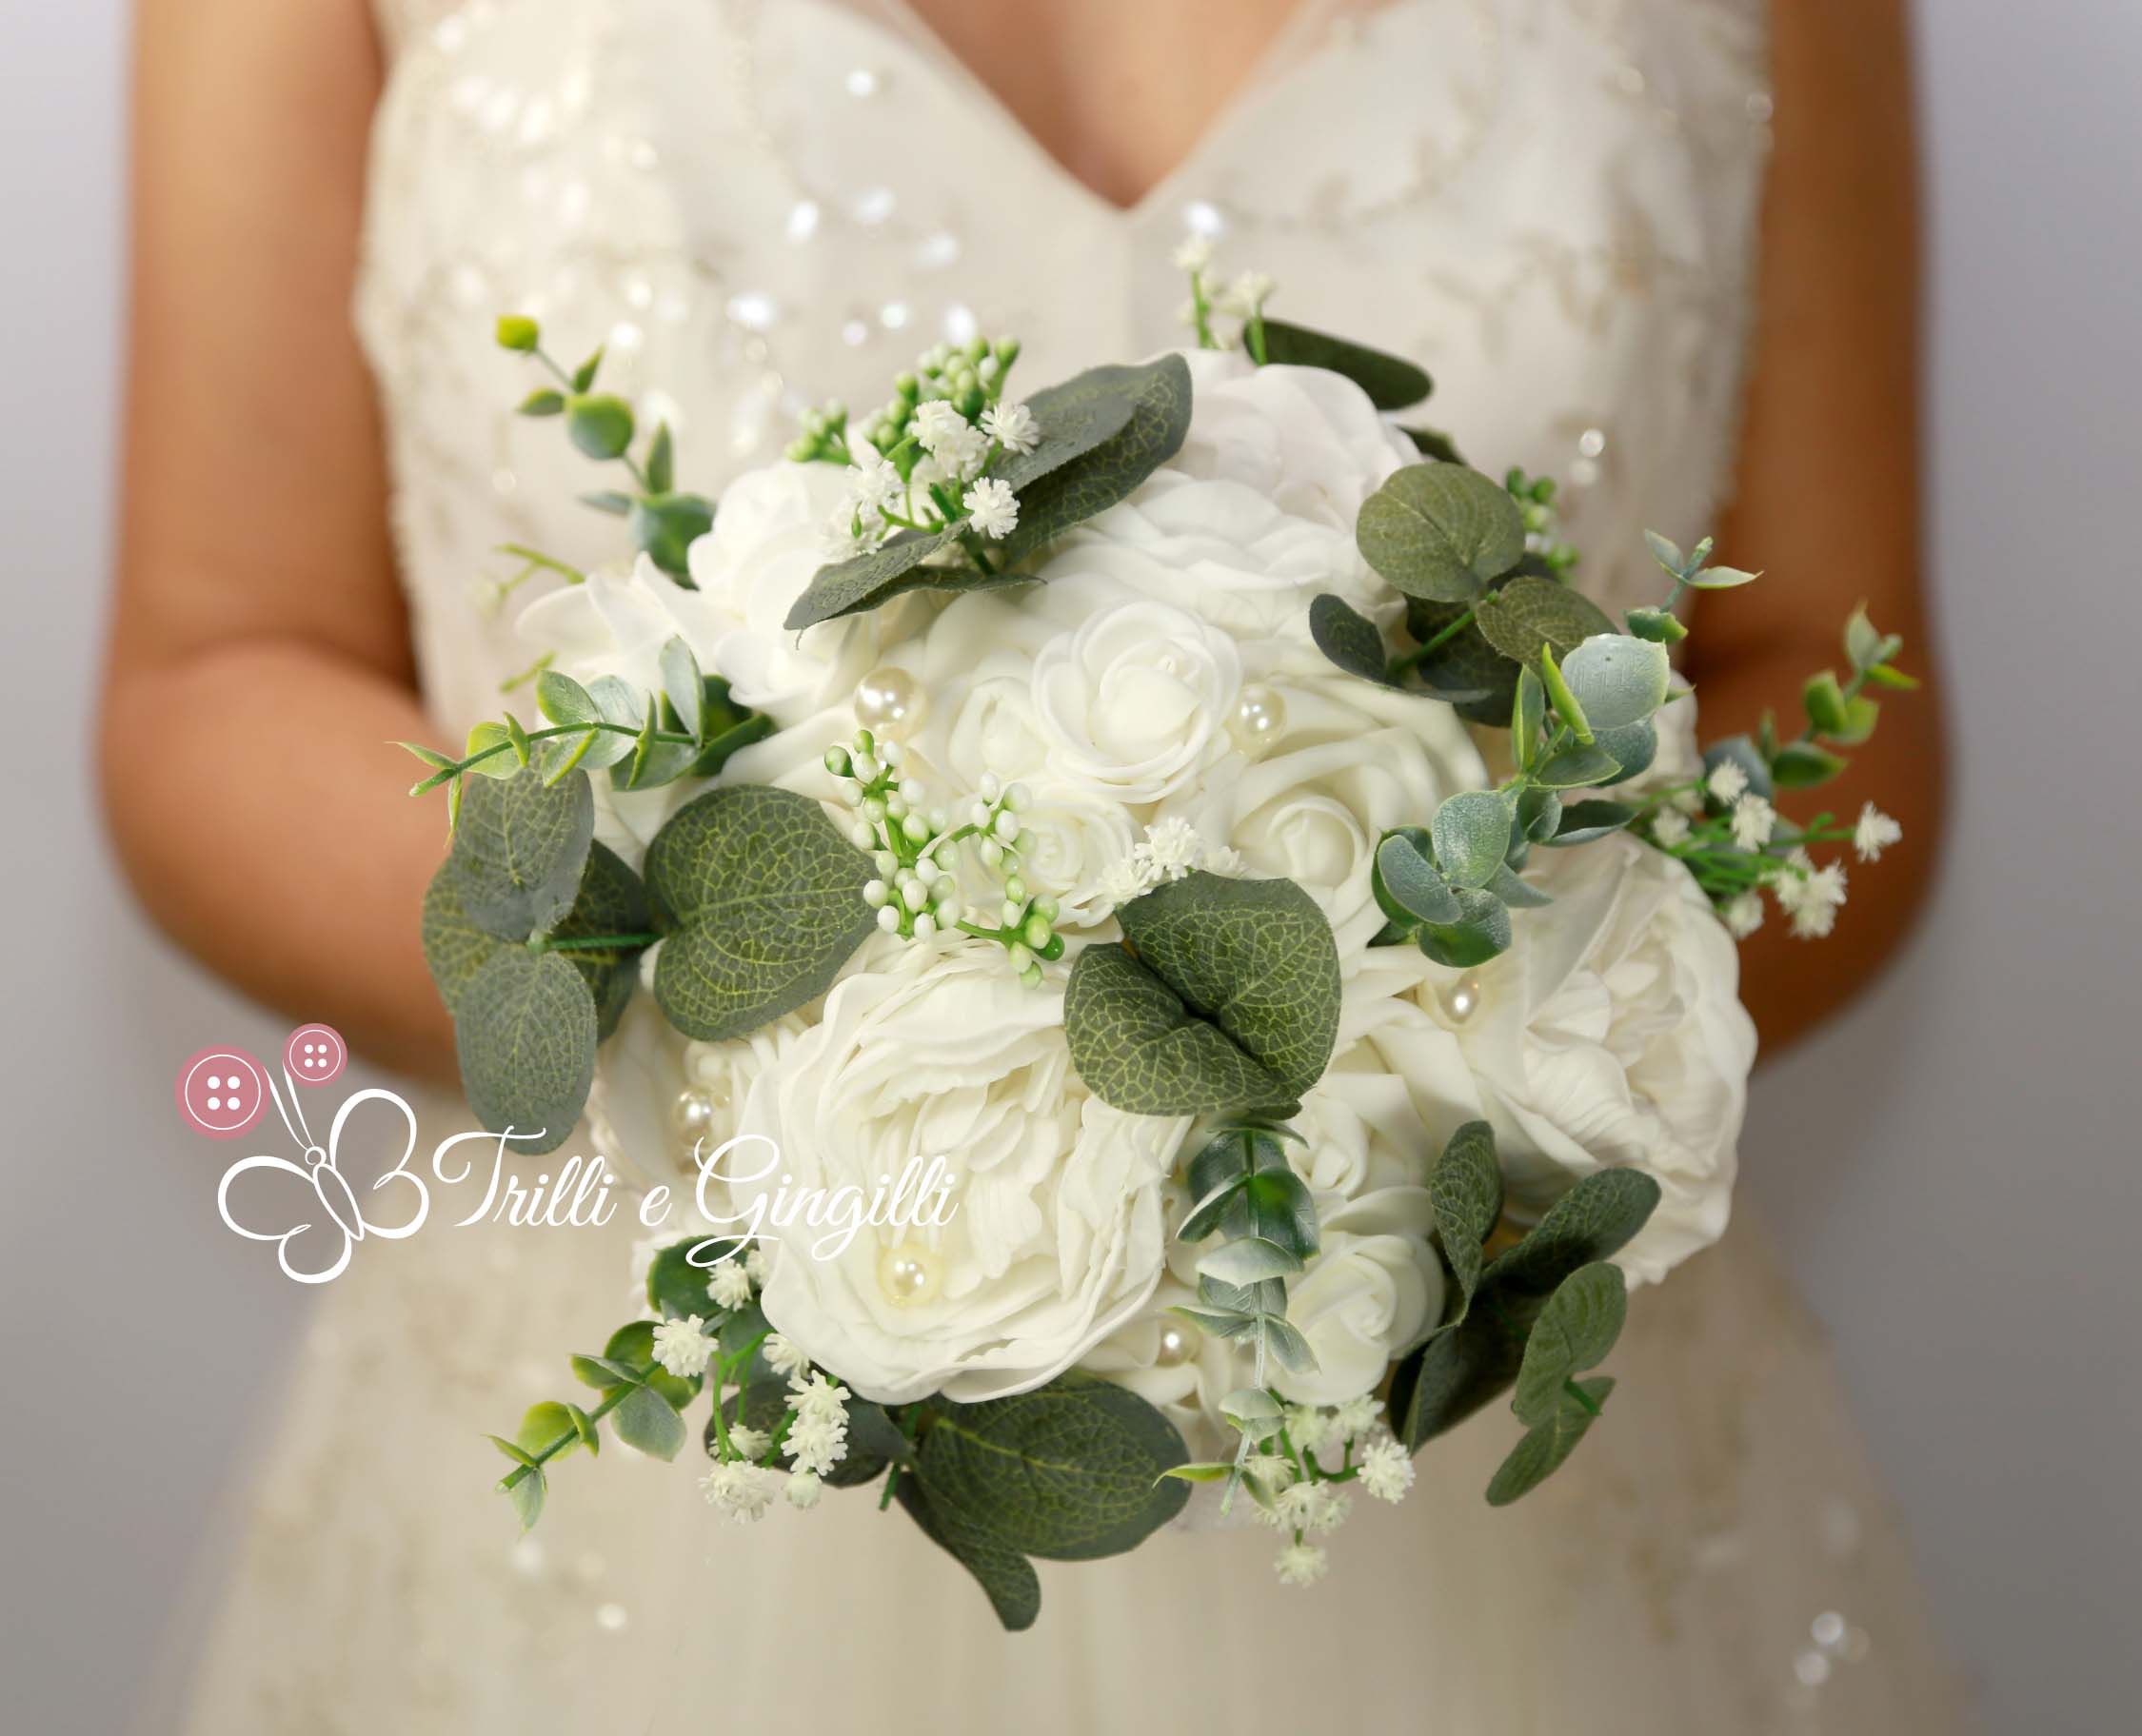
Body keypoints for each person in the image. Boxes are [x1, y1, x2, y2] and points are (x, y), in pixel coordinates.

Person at [106, 1, 1966, 1729]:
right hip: (628, 1490)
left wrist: (1411, 1081)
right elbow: (215, 668)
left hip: (1494, 1487)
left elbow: (1827, 678)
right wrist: (824, 1025)